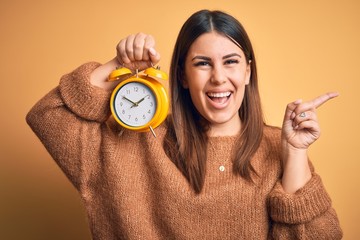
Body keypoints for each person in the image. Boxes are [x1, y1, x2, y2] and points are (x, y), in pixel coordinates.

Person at [26, 9, 343, 239]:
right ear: (182, 76)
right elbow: (47, 115)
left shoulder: (278, 147)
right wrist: (117, 67)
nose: (219, 77)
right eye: (203, 63)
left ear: (247, 72)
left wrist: (296, 153)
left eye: (230, 61)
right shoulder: (134, 142)